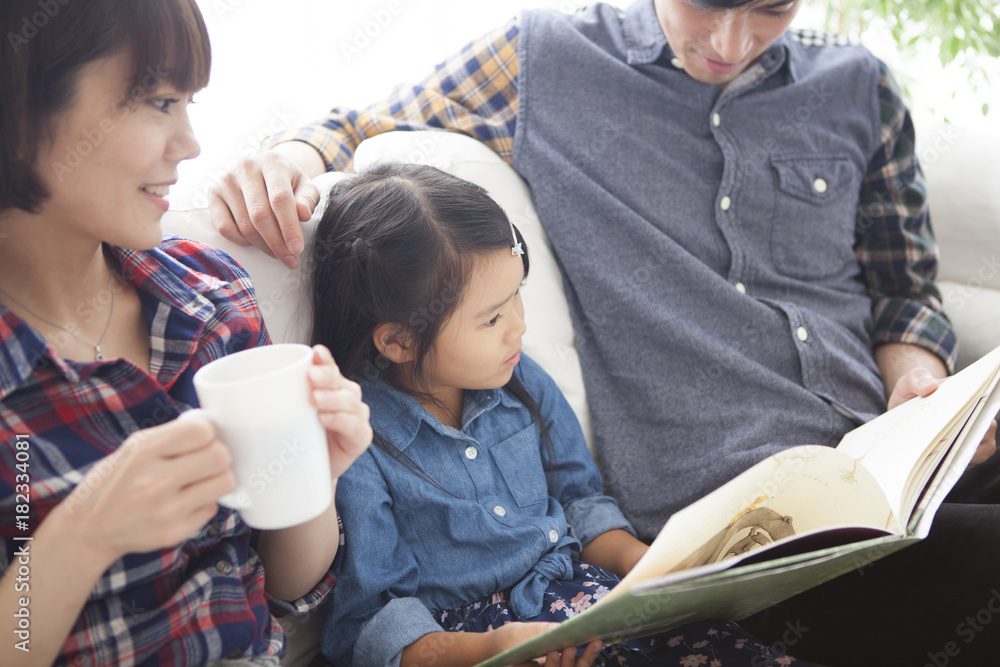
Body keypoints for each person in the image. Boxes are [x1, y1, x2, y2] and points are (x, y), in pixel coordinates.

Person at [207, 0, 1000, 664]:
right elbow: (364, 122)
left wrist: (920, 387)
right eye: (709, 4)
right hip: (741, 529)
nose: (730, 42)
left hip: (893, 462)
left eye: (771, 10)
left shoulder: (860, 87)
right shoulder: (547, 61)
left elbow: (905, 294)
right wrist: (288, 156)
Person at [307, 161, 815, 666]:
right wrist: (489, 649)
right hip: (478, 647)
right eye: (491, 318)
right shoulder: (359, 443)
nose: (519, 328)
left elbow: (580, 502)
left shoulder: (519, 377)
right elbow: (369, 624)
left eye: (517, 298)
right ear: (399, 340)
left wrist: (647, 567)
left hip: (590, 602)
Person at [0, 1, 371, 665]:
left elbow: (287, 587)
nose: (191, 144)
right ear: (21, 111)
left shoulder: (211, 295)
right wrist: (83, 533)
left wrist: (312, 472)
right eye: (159, 102)